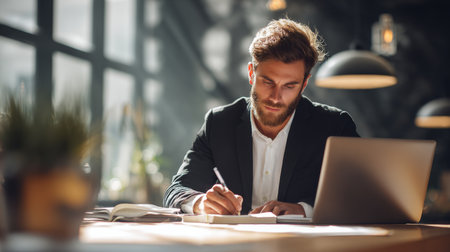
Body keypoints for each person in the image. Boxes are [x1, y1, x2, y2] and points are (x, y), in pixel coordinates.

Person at [163, 18, 359, 217]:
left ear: (305, 83)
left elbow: (358, 195)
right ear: (251, 73)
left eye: (289, 86)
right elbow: (176, 190)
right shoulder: (219, 123)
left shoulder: (334, 127)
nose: (276, 97)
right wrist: (200, 203)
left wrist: (304, 209)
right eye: (268, 82)